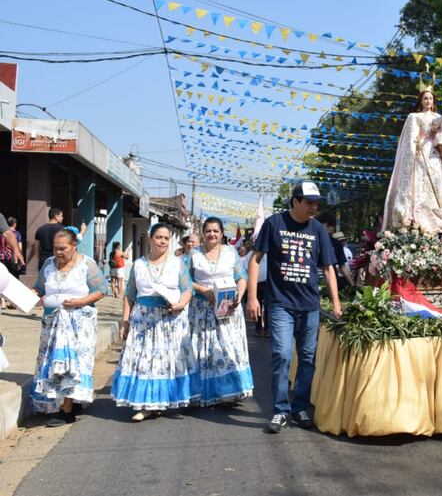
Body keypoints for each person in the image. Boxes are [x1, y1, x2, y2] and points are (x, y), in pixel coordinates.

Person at [247, 181, 342, 433]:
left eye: (316, 203)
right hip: (280, 304)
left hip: (309, 305)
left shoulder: (319, 231)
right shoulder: (274, 224)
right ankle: (280, 410)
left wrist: (335, 302)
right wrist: (253, 297)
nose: (313, 207)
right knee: (282, 354)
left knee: (308, 358)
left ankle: (299, 407)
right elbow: (256, 260)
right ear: (296, 201)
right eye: (309, 202)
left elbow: (328, 268)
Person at [111, 223, 197, 422]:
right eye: (159, 237)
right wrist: (125, 321)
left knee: (166, 361)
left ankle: (162, 401)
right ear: (150, 239)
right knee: (145, 361)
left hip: (170, 317)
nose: (163, 241)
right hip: (143, 319)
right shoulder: (138, 265)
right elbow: (129, 294)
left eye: (166, 238)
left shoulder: (178, 263)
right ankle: (147, 404)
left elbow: (188, 289)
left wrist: (180, 305)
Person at [31, 227, 108, 426]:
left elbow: (101, 289)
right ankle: (58, 404)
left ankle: (67, 411)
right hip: (52, 323)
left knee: (73, 365)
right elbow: (38, 289)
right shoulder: (48, 265)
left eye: (63, 248)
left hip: (78, 324)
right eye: (56, 248)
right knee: (52, 363)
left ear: (74, 246)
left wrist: (81, 301)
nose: (58, 252)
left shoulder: (86, 265)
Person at [382, 88, 442, 233]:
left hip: (437, 153)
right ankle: (420, 220)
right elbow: (411, 137)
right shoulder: (414, 117)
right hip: (422, 152)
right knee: (422, 187)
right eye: (425, 98)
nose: (428, 101)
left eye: (430, 98)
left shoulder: (439, 117)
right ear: (421, 101)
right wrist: (414, 150)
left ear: (434, 101)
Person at [188, 217, 254, 407]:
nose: (212, 234)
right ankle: (200, 391)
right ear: (203, 233)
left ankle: (230, 391)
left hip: (227, 308)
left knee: (227, 347)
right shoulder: (194, 254)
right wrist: (203, 291)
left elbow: (242, 277)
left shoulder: (231, 253)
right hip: (202, 309)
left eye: (216, 231)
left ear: (222, 233)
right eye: (208, 231)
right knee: (202, 350)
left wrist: (239, 297)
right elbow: (184, 280)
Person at [316, 212, 355, 289]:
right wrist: (352, 285)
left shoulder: (335, 241)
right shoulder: (312, 240)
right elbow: (342, 266)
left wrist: (353, 286)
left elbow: (342, 265)